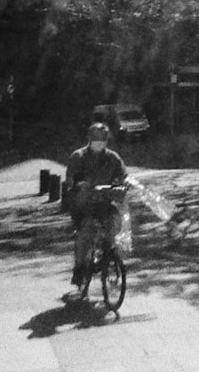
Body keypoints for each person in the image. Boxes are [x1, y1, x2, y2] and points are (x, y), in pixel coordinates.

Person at [65, 123, 128, 293]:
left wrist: (122, 185)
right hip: (83, 205)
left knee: (114, 220)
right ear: (90, 141)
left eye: (102, 140)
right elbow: (70, 178)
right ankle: (79, 269)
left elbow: (122, 175)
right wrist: (79, 185)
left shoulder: (113, 158)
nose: (99, 144)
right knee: (85, 231)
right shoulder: (78, 157)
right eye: (96, 140)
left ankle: (109, 252)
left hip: (104, 204)